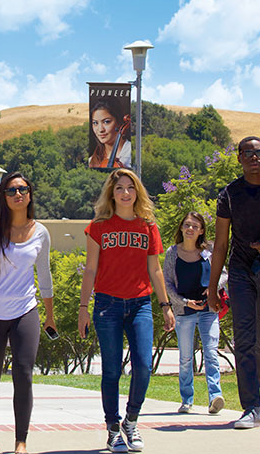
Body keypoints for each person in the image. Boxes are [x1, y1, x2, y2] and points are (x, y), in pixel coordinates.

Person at [78, 168, 175, 453]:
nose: (124, 193)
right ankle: (112, 429)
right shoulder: (99, 226)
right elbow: (91, 269)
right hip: (107, 304)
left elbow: (155, 269)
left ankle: (131, 421)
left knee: (143, 366)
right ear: (112, 192)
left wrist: (165, 306)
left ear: (137, 192)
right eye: (119, 188)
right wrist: (84, 308)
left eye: (130, 188)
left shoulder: (148, 227)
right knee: (111, 371)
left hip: (141, 304)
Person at [0, 172, 56, 454]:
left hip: (25, 312)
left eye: (23, 189)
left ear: (30, 194)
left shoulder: (41, 232)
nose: (18, 194)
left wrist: (50, 315)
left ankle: (21, 441)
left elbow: (44, 275)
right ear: (3, 197)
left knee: (24, 374)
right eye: (11, 190)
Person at [207, 136, 260, 429]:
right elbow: (221, 243)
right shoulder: (229, 194)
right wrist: (213, 288)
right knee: (245, 338)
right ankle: (251, 406)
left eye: (259, 152)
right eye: (247, 153)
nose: (254, 157)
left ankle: (256, 400)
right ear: (239, 157)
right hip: (239, 272)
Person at [164, 211, 226, 415]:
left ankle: (215, 397)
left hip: (209, 309)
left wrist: (214, 288)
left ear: (201, 231)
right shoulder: (172, 253)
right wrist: (183, 302)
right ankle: (186, 399)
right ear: (181, 228)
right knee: (185, 357)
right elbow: (167, 284)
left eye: (195, 226)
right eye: (187, 225)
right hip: (185, 311)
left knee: (211, 353)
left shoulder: (208, 251)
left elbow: (224, 273)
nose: (190, 229)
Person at [88, 97, 131, 169]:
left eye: (106, 122)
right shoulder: (91, 161)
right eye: (95, 123)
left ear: (119, 122)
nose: (100, 129)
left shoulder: (131, 153)